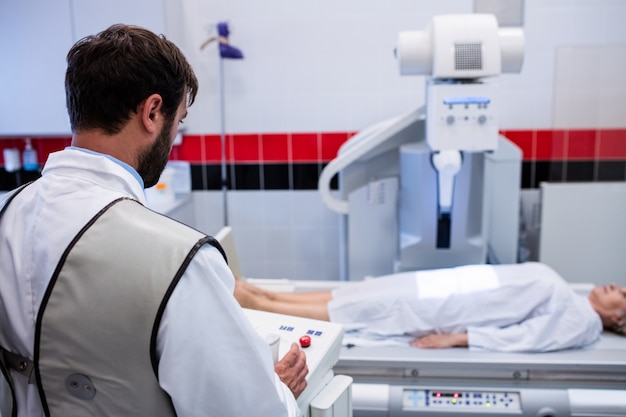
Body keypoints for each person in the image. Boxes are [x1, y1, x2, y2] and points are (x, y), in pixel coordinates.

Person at [0, 24, 307, 417]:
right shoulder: (176, 260)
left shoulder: (7, 214)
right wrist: (277, 392)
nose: (175, 136)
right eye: (178, 121)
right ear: (152, 112)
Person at [235, 262, 626, 353]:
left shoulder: (583, 321)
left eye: (622, 297)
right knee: (354, 296)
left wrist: (455, 339)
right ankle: (261, 295)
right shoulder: (575, 299)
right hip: (443, 286)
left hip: (445, 307)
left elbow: (527, 338)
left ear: (618, 318)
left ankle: (257, 303)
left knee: (359, 310)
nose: (616, 288)